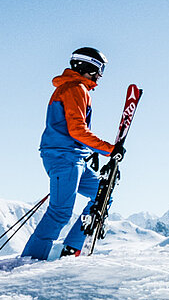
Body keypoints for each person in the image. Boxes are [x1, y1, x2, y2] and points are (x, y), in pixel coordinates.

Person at [23, 47, 123, 260]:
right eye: (99, 69)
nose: (100, 75)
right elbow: (76, 129)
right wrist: (108, 149)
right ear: (87, 67)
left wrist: (90, 151)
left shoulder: (77, 89)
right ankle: (30, 259)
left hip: (74, 156)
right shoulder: (75, 88)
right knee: (60, 213)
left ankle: (72, 248)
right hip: (63, 157)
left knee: (102, 195)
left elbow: (73, 130)